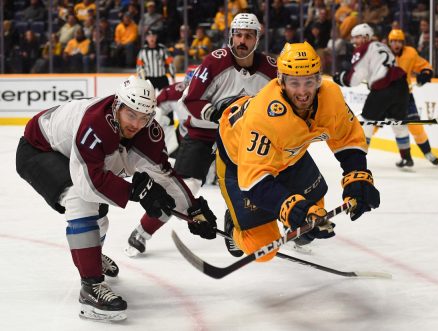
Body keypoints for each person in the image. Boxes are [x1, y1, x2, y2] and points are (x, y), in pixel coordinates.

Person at [15, 75, 217, 322]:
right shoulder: (95, 123)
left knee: (100, 215)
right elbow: (88, 182)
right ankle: (90, 289)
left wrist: (193, 210)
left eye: (144, 118)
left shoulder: (147, 131)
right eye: (131, 115)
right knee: (81, 200)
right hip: (39, 149)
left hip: (71, 151)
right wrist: (134, 191)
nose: (136, 124)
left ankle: (91, 254)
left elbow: (164, 175)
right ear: (116, 107)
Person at [125, 13, 277, 257]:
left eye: (248, 36)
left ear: (257, 39)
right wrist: (216, 114)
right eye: (238, 34)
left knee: (253, 184)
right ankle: (142, 231)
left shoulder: (271, 68)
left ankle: (283, 228)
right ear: (230, 36)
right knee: (184, 188)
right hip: (204, 135)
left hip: (242, 138)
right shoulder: (215, 62)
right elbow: (191, 98)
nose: (242, 41)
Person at [216, 41, 380, 261]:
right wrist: (293, 209)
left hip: (291, 155)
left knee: (314, 212)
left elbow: (347, 136)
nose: (303, 92)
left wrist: (356, 178)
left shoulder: (330, 95)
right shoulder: (263, 117)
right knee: (263, 250)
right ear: (281, 81)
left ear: (318, 79)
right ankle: (233, 229)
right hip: (240, 163)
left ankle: (294, 227)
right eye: (294, 82)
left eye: (309, 81)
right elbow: (253, 179)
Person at [333, 23, 411, 168]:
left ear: (365, 37)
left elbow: (356, 78)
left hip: (383, 88)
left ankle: (358, 158)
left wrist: (342, 78)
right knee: (398, 123)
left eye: (356, 38)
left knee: (366, 121)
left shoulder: (363, 48)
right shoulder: (382, 46)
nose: (354, 41)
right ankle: (407, 157)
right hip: (401, 86)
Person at [387, 29, 438, 166]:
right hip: (385, 98)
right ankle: (406, 157)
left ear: (403, 42)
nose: (397, 44)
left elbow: (424, 66)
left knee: (415, 126)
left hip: (406, 96)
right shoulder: (382, 55)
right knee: (383, 126)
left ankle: (427, 153)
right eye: (394, 41)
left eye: (399, 41)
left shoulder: (410, 53)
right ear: (389, 42)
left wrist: (425, 73)